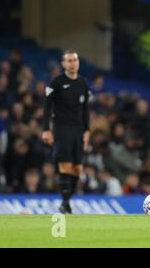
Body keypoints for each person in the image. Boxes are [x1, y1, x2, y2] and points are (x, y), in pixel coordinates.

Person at [42, 50, 90, 214]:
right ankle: (65, 203)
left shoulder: (83, 83)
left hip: (78, 129)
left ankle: (67, 198)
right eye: (69, 61)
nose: (72, 63)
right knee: (65, 165)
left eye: (75, 60)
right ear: (63, 64)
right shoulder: (56, 82)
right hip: (61, 128)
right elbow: (47, 107)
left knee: (78, 168)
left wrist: (87, 130)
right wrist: (46, 129)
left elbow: (85, 110)